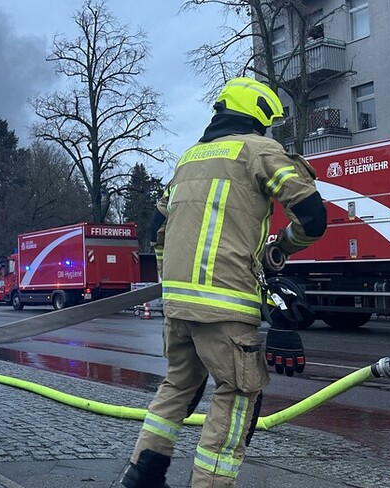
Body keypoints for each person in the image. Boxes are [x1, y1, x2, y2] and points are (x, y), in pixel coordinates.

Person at [121, 77, 327, 488]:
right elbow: (313, 218)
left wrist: (171, 282)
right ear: (258, 115)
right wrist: (281, 248)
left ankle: (142, 476)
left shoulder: (189, 159)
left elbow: (157, 229)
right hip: (227, 306)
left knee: (178, 386)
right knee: (237, 395)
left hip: (176, 308)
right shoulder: (260, 151)